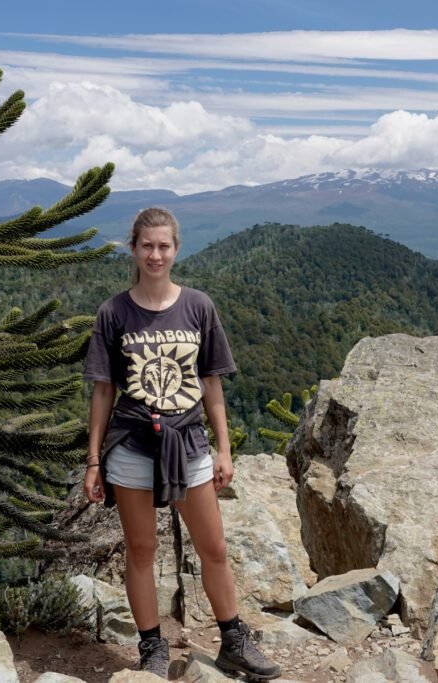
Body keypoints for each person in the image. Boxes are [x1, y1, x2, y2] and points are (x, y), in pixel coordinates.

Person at [81, 207, 280, 680]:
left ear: (176, 249)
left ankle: (233, 640)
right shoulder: (114, 312)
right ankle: (152, 647)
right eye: (147, 245)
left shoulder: (197, 306)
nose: (155, 255)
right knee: (141, 550)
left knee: (214, 547)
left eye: (164, 246)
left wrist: (223, 449)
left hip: (188, 442)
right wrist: (93, 460)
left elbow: (212, 382)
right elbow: (103, 390)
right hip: (132, 443)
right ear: (133, 248)